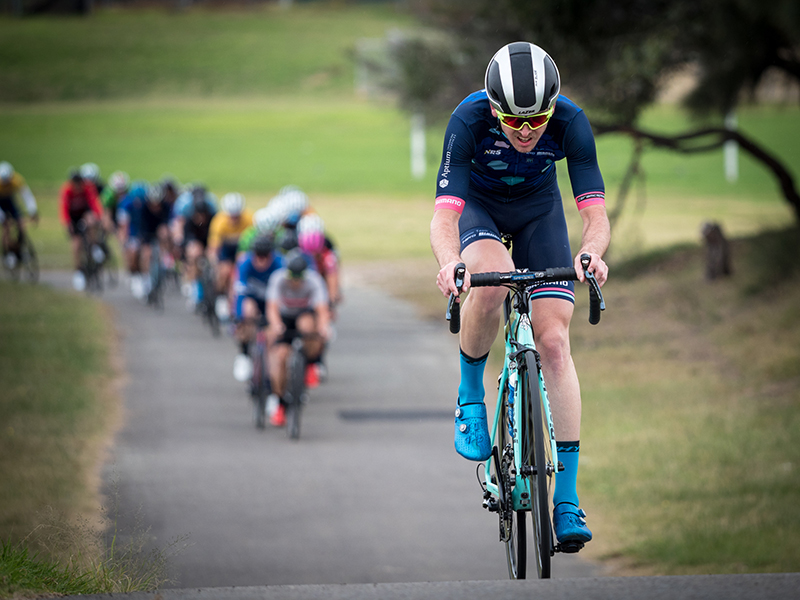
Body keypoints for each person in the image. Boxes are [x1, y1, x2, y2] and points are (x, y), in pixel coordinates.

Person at [430, 42, 610, 546]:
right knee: (491, 282)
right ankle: (471, 397)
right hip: (480, 211)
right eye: (514, 121)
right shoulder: (467, 121)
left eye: (537, 120)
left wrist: (592, 253)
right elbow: (445, 215)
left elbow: (594, 214)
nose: (527, 131)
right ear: (493, 107)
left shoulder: (571, 122)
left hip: (539, 212)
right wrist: (451, 264)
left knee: (553, 342)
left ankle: (567, 501)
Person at [266, 248, 331, 427]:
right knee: (279, 357)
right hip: (285, 318)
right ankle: (279, 402)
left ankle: (309, 362)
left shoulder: (313, 281)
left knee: (309, 326)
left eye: (298, 277)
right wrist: (276, 325)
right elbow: (272, 307)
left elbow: (322, 309)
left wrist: (324, 328)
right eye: (291, 277)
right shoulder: (278, 279)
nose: (295, 281)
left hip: (303, 315)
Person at [231, 233, 283, 384]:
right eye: (258, 255)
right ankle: (244, 354)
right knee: (247, 311)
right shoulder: (245, 263)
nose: (262, 259)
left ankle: (271, 377)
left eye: (265, 255)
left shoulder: (280, 263)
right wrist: (239, 316)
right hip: (252, 300)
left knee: (273, 334)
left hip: (272, 303)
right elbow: (239, 292)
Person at [59, 169, 104, 290]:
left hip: (84, 214)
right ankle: (78, 271)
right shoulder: (67, 190)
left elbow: (94, 203)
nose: (78, 186)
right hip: (73, 218)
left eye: (80, 182)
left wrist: (98, 216)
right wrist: (68, 224)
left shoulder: (87, 188)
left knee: (91, 220)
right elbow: (64, 209)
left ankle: (94, 246)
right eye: (75, 183)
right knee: (76, 245)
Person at [207, 192, 253, 303]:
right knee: (224, 271)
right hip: (225, 249)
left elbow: (253, 239)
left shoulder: (249, 218)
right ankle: (220, 295)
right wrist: (215, 264)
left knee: (239, 270)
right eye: (231, 216)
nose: (234, 219)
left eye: (237, 216)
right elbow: (213, 247)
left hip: (242, 248)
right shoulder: (219, 221)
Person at [0, 161, 39, 268]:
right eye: (4, 182)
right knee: (7, 227)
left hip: (9, 201)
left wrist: (32, 210)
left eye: (8, 181)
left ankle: (18, 249)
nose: (7, 183)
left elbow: (26, 196)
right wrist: (2, 217)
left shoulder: (16, 180)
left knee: (21, 224)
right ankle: (8, 253)